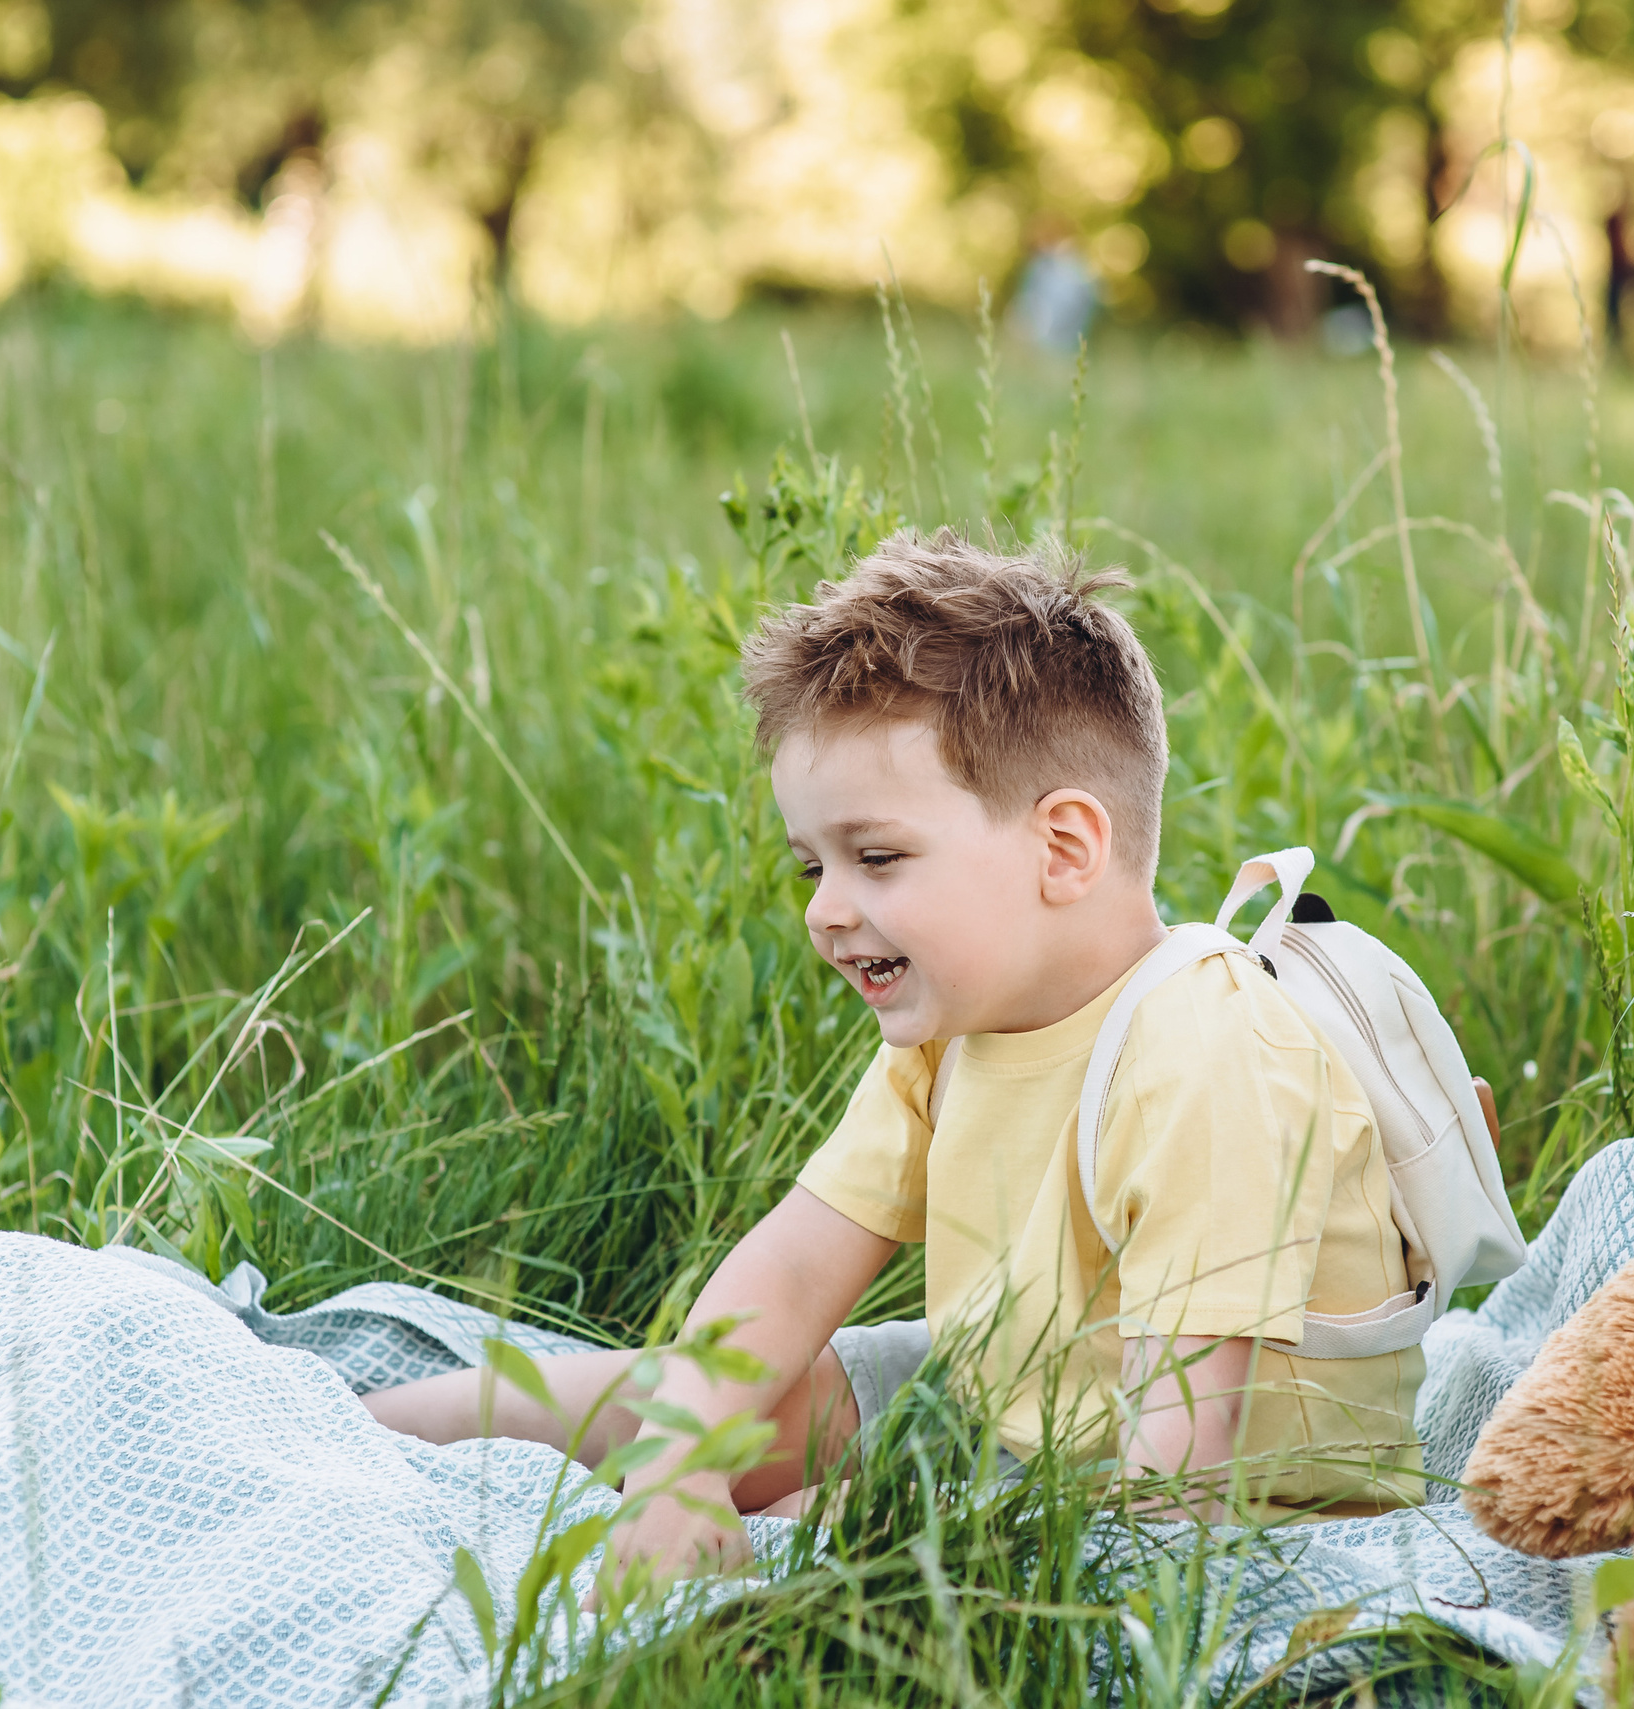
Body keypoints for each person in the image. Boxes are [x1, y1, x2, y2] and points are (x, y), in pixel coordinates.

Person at [364, 531, 1454, 1586]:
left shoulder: (1205, 1057)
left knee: (822, 1513)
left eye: (876, 857)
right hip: (1001, 1399)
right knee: (665, 1404)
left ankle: (830, 1524)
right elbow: (790, 1271)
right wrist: (674, 1476)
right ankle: (332, 1429)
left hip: (1220, 1489)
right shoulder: (958, 1030)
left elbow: (1178, 1477)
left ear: (1064, 847)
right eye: (811, 868)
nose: (830, 912)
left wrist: (874, 1531)